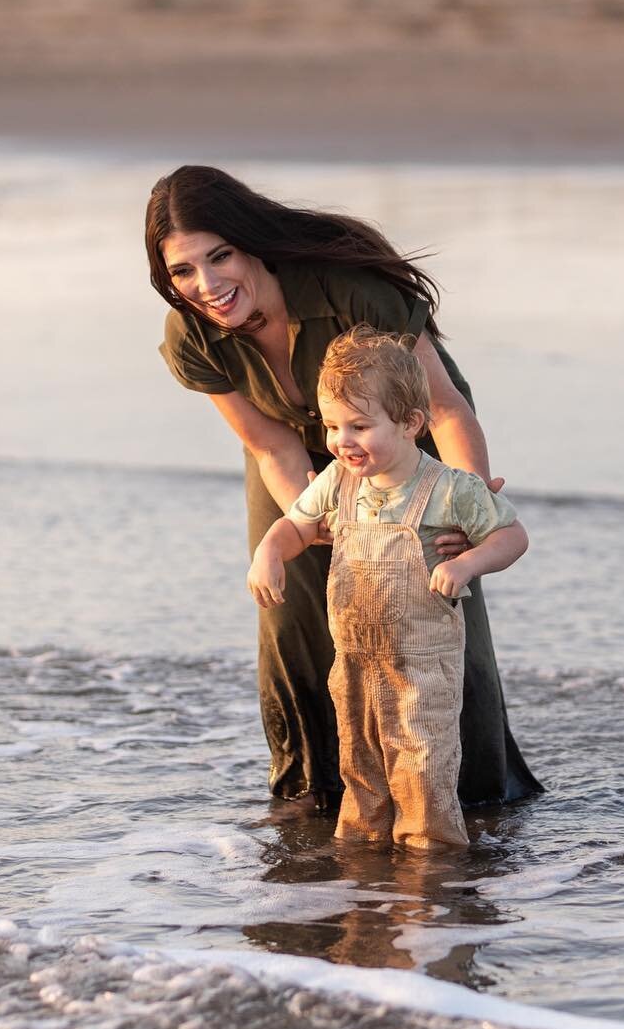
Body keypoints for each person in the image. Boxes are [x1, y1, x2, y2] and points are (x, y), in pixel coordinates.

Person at [146, 164, 541, 814]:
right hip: (289, 442)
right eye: (183, 272)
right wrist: (319, 520)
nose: (207, 286)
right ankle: (316, 793)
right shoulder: (190, 334)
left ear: (253, 246)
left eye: (220, 258)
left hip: (403, 425)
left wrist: (464, 502)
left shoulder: (353, 292)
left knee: (432, 604)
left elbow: (440, 409)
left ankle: (472, 795)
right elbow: (270, 443)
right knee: (291, 605)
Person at [248, 329, 530, 849]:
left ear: (410, 424)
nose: (341, 440)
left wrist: (468, 563)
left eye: (359, 425)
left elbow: (512, 536)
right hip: (354, 661)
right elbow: (298, 526)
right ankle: (367, 879)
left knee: (422, 770)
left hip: (423, 665)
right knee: (361, 771)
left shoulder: (449, 488)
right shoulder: (338, 480)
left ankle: (429, 883)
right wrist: (269, 551)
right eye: (332, 425)